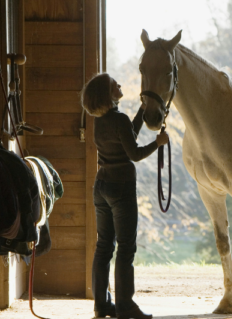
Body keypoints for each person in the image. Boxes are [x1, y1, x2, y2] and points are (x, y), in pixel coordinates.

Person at [81, 73, 169, 319]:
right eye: (114, 85)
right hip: (121, 187)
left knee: (104, 247)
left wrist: (142, 111)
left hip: (101, 185)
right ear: (107, 94)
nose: (119, 85)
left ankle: (101, 306)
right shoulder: (118, 119)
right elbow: (134, 153)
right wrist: (158, 143)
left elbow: (128, 135)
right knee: (126, 247)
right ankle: (125, 306)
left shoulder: (101, 120)